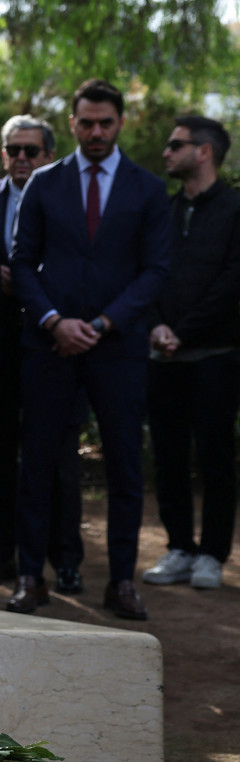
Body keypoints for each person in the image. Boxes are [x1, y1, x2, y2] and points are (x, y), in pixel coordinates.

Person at [9, 79, 172, 619]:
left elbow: (156, 271)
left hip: (117, 348)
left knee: (125, 468)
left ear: (119, 122)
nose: (96, 131)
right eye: (86, 123)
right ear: (73, 123)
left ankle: (121, 582)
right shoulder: (43, 183)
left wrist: (102, 323)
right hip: (49, 345)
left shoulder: (147, 189)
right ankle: (30, 577)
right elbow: (22, 260)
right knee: (36, 465)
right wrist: (55, 321)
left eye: (105, 122)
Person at [0, 115, 86, 592]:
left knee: (57, 458)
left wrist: (28, 282)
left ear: (48, 156)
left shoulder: (72, 198)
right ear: (2, 155)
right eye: (13, 150)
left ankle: (64, 560)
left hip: (52, 346)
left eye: (31, 151)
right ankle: (1, 552)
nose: (22, 158)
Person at [141, 116, 240, 591]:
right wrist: (157, 324)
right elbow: (148, 272)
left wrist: (184, 331)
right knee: (168, 457)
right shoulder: (162, 210)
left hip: (216, 357)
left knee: (216, 458)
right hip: (164, 357)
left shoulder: (236, 210)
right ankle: (180, 547)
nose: (166, 152)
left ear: (204, 152)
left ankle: (212, 555)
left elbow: (231, 283)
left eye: (175, 144)